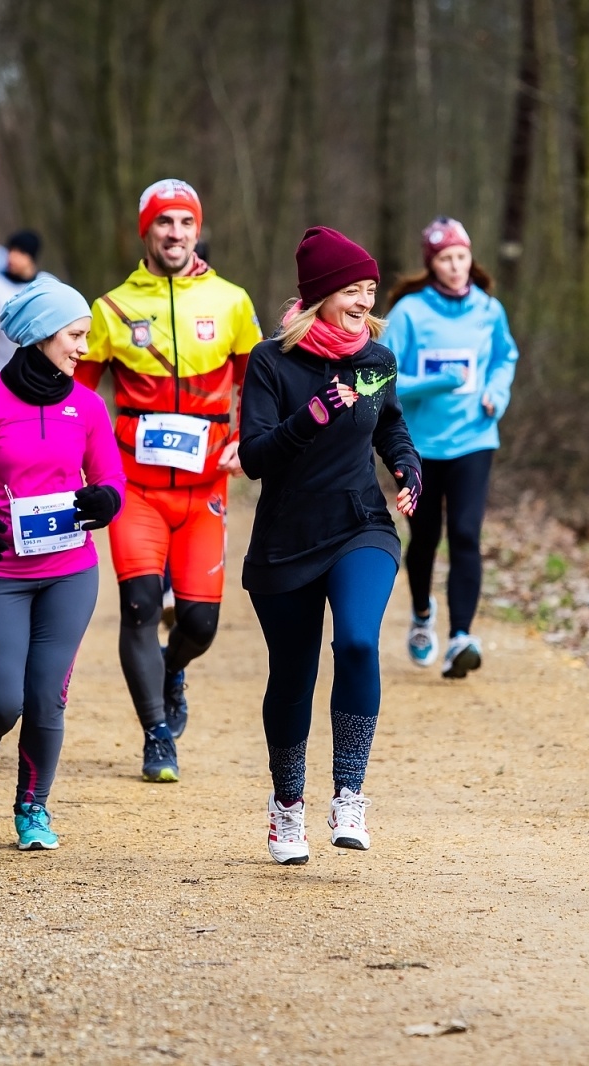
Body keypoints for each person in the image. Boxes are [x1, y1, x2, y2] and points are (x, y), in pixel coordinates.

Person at [238, 227, 422, 865]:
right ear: (320, 296)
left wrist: (408, 470)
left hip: (360, 524)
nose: (365, 303)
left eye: (371, 291)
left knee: (358, 640)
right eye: (353, 290)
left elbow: (391, 427)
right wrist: (310, 416)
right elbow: (257, 457)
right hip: (287, 539)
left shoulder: (376, 361)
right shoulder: (271, 363)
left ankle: (350, 795)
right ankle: (288, 806)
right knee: (292, 676)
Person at [0, 276, 125, 851]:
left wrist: (106, 502)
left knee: (45, 697)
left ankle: (33, 808)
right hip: (0, 577)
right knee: (1, 700)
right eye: (75, 335)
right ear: (40, 336)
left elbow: (111, 480)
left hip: (69, 573)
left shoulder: (86, 407)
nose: (83, 349)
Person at [75, 180, 262, 782]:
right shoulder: (111, 309)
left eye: (185, 222)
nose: (176, 233)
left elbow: (260, 386)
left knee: (201, 625)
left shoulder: (232, 301)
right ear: (146, 231)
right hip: (137, 489)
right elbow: (76, 398)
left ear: (197, 228)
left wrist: (247, 440)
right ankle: (157, 734)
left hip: (206, 487)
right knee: (138, 605)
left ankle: (171, 668)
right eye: (164, 223)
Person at [382, 217, 518, 679]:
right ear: (431, 264)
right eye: (445, 258)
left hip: (474, 440)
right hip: (417, 444)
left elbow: (505, 357)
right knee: (423, 539)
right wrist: (439, 382)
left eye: (461, 256)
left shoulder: (488, 309)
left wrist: (497, 394)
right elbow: (386, 376)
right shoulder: (409, 313)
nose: (456, 266)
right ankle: (422, 615)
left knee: (464, 535)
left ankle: (461, 637)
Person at [0, 230, 50, 378]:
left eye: (20, 252)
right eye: (10, 250)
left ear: (31, 256)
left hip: (38, 376)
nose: (11, 257)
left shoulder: (48, 286)